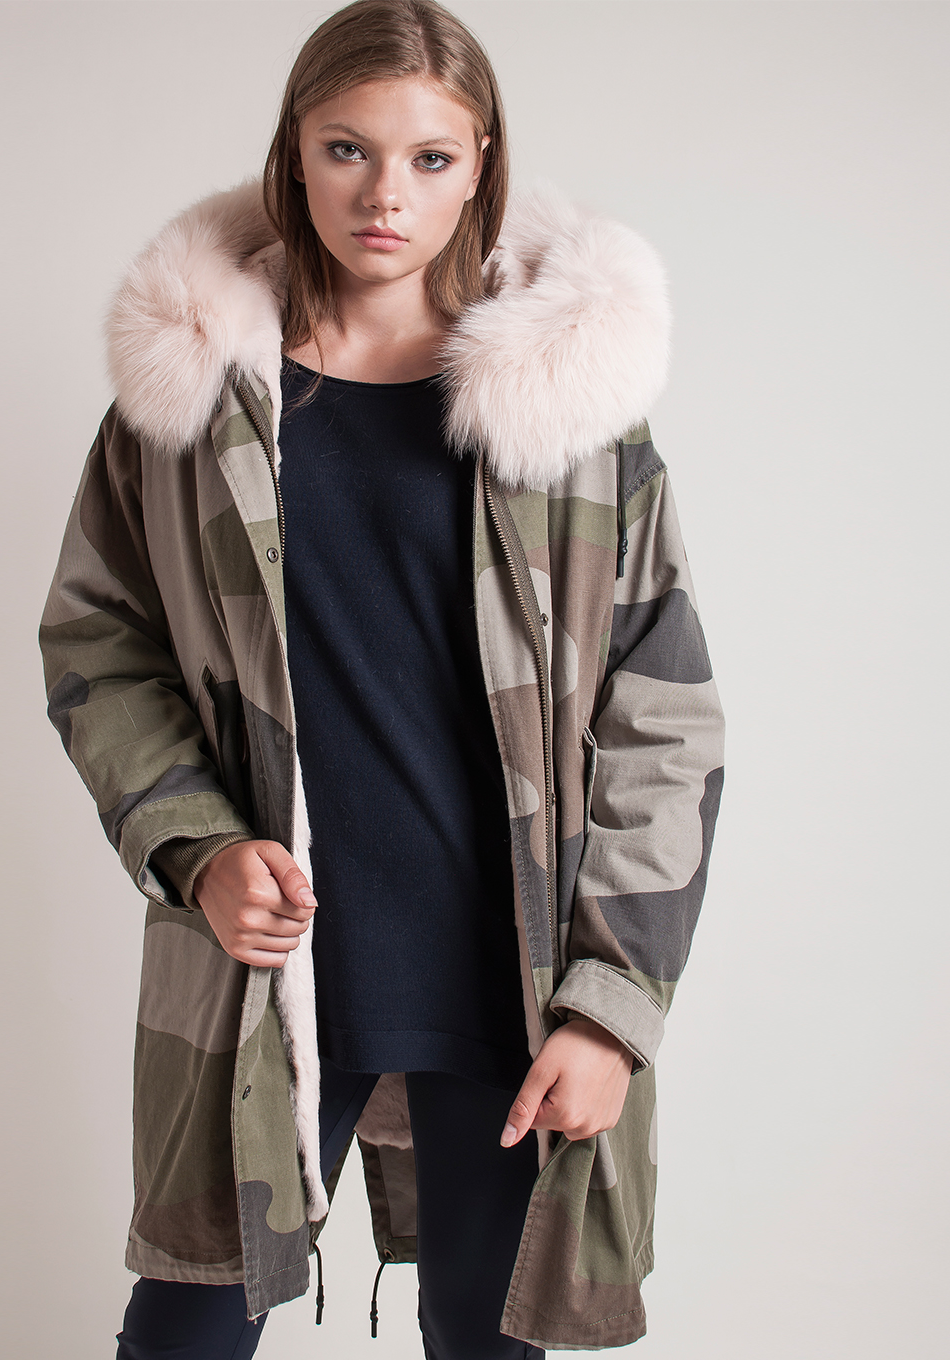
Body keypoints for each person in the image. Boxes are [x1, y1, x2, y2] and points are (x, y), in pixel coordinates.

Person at [39, 1, 725, 1355]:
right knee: (183, 1334)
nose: (384, 195)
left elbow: (665, 718)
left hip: (510, 962)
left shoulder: (574, 416)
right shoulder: (191, 405)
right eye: (347, 149)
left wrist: (613, 1009)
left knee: (485, 1333)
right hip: (268, 960)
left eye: (430, 157)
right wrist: (195, 845)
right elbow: (97, 642)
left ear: (482, 165)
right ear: (294, 151)